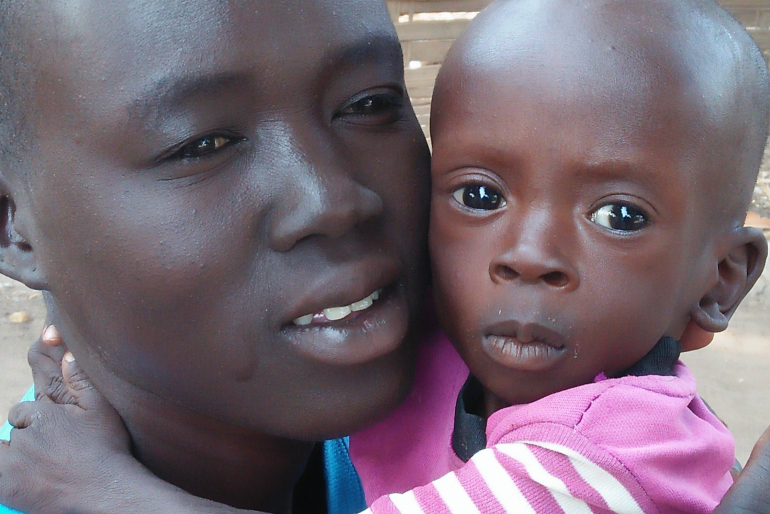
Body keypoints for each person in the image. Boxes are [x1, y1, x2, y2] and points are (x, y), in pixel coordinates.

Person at [1, 0, 770, 513]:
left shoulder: (575, 442)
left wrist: (105, 492)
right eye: (202, 143)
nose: (334, 200)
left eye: (368, 104)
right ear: (14, 229)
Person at [356, 0, 769, 511]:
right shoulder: (436, 339)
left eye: (620, 216)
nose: (529, 256)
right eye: (480, 197)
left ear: (720, 279)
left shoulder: (608, 456)